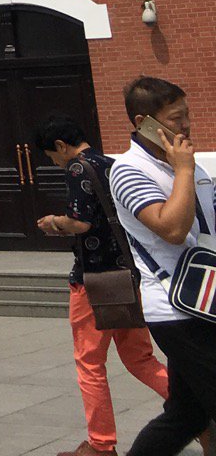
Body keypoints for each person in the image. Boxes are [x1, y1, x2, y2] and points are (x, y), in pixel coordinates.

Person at [35, 112, 170, 456]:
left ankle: (101, 444)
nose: (54, 162)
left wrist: (54, 222)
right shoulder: (111, 164)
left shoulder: (77, 168)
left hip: (94, 281)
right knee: (140, 358)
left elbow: (80, 223)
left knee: (90, 363)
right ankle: (198, 409)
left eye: (51, 156)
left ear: (61, 146)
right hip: (127, 276)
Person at [110, 76, 216, 456]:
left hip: (206, 299)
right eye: (175, 118)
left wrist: (187, 170)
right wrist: (183, 171)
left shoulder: (190, 167)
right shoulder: (128, 170)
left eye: (187, 115)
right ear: (143, 123)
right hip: (175, 307)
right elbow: (171, 229)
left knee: (186, 415)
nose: (185, 126)